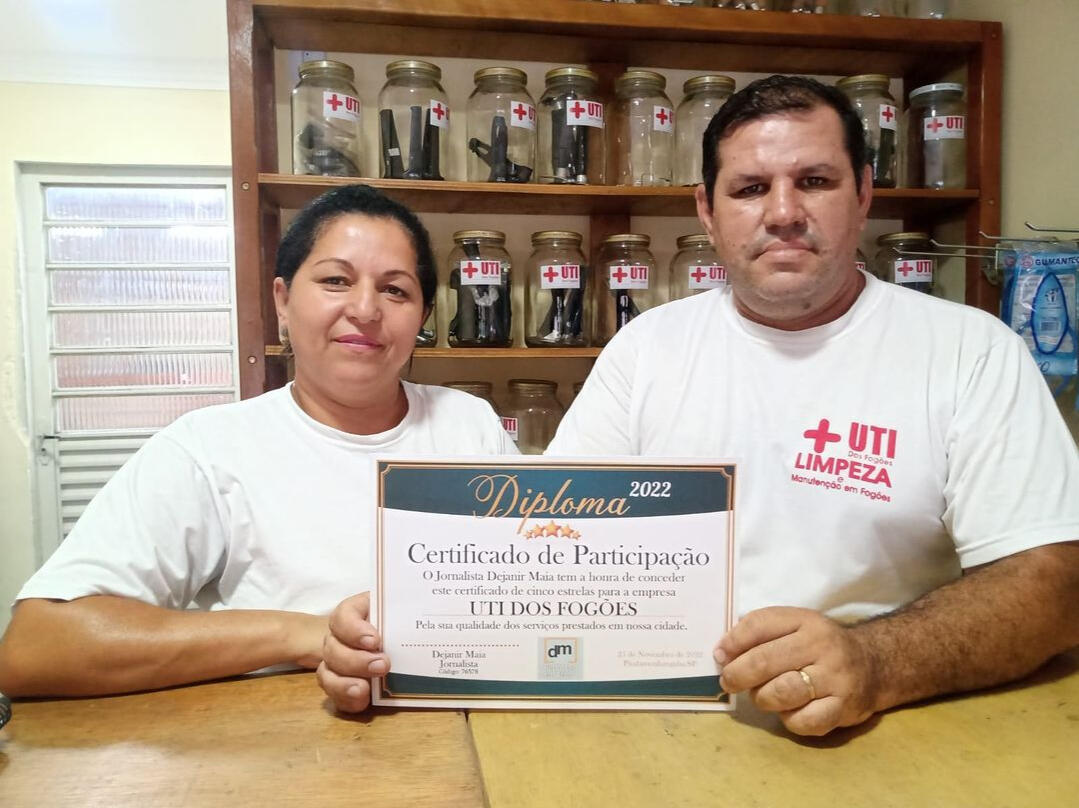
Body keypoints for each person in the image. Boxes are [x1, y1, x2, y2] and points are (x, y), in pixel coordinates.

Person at [543, 75, 1079, 736]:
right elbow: (553, 540)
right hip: (669, 713)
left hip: (892, 717)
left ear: (863, 195)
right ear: (706, 213)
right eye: (748, 189)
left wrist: (875, 660)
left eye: (815, 181)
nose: (782, 212)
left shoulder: (969, 351)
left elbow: (1052, 584)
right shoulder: (645, 348)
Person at [0, 184, 516, 699]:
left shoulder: (469, 425)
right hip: (278, 756)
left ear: (422, 318)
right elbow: (37, 646)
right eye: (336, 280)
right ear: (283, 302)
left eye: (396, 290)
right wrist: (304, 635)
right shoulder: (209, 447)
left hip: (465, 735)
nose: (365, 308)